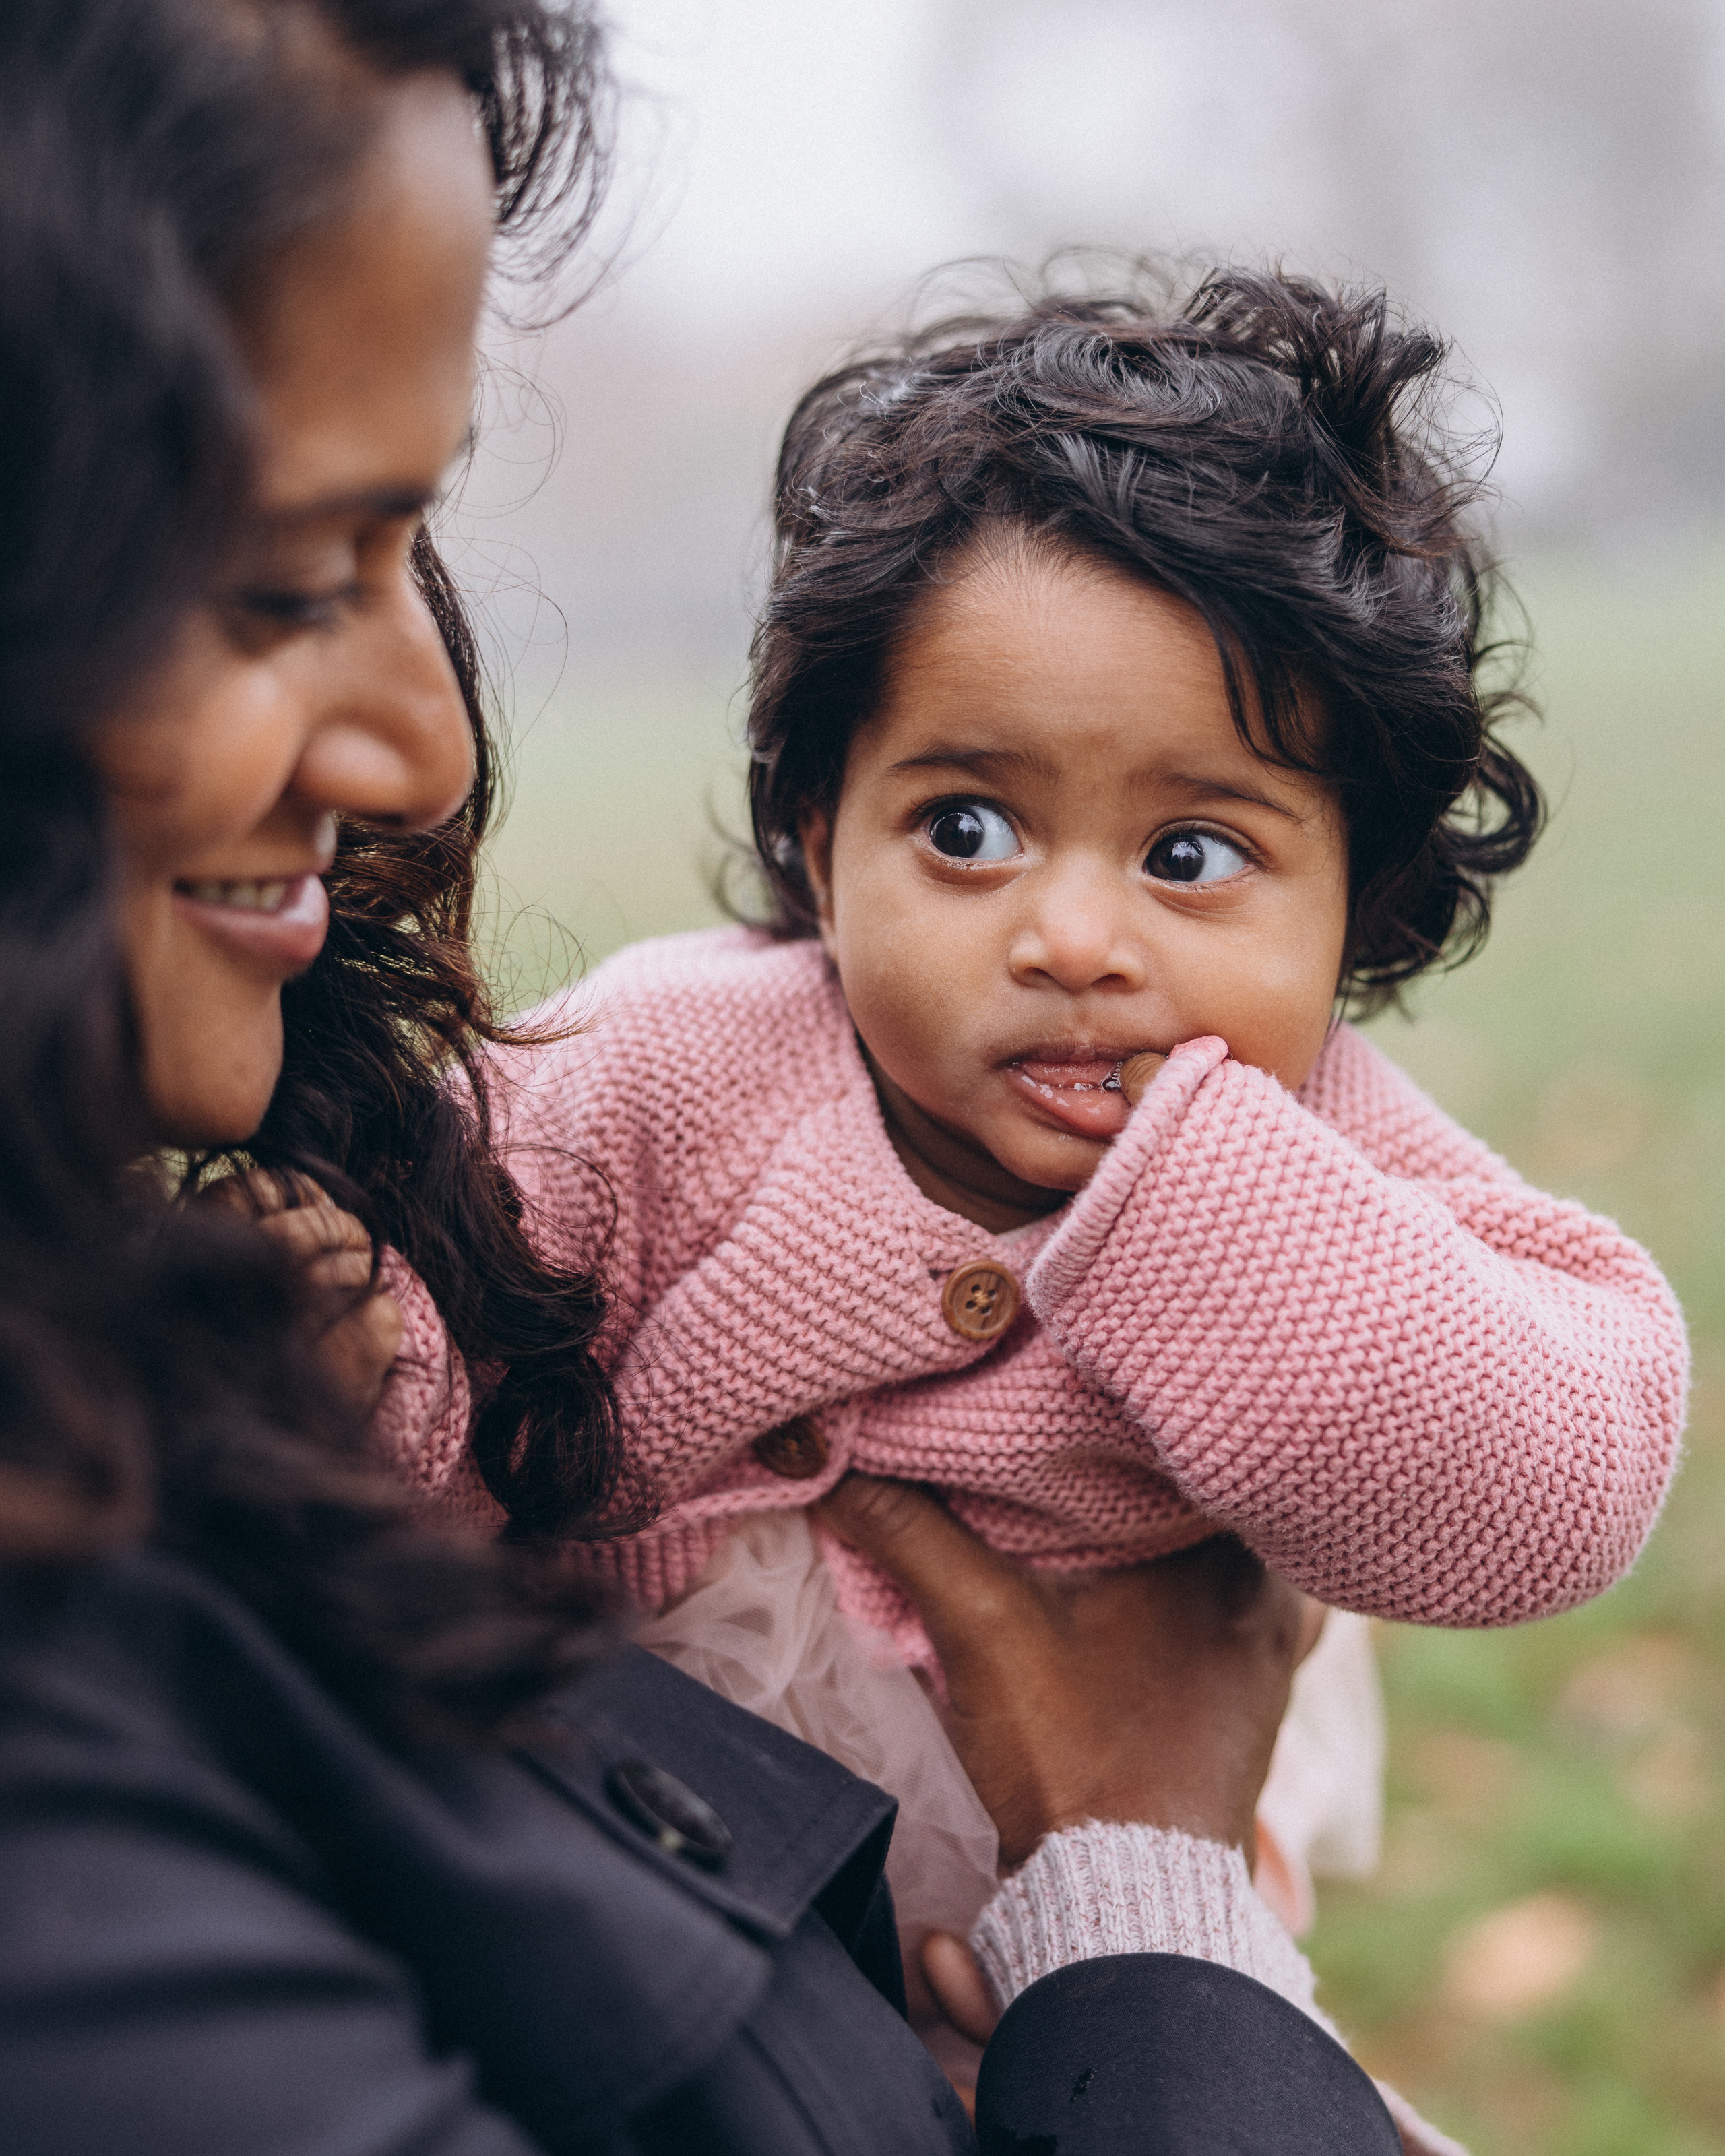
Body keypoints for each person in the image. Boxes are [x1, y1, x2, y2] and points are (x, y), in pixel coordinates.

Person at [0, 0, 1424, 2148]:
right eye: (291, 578)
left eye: (415, 552)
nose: (428, 752)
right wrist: (1152, 1910)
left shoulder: (165, 1377)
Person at [373, 270, 1689, 1978]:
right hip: (633, 1871)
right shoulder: (666, 1065)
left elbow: (1554, 1490)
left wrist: (1199, 1188)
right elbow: (405, 1352)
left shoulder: (1314, 1145)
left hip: (1110, 1946)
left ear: (1353, 904)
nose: (1071, 938)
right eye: (969, 826)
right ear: (818, 832)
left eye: (1191, 856)